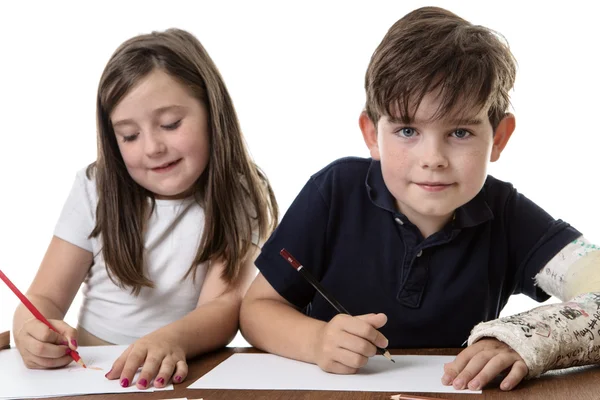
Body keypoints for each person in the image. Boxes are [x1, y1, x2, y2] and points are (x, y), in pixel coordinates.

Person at [239, 6, 600, 392]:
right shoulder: (334, 192)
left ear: (498, 137)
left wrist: (526, 338)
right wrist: (316, 341)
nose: (433, 160)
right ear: (371, 133)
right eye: (407, 130)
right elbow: (257, 310)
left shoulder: (508, 213)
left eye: (460, 132)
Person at [13, 28, 278, 390]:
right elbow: (43, 297)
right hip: (95, 376)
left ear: (212, 113)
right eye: (129, 136)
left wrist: (169, 341)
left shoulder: (240, 191)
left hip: (185, 372)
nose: (152, 147)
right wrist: (32, 331)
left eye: (170, 124)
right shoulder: (95, 188)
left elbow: (225, 306)